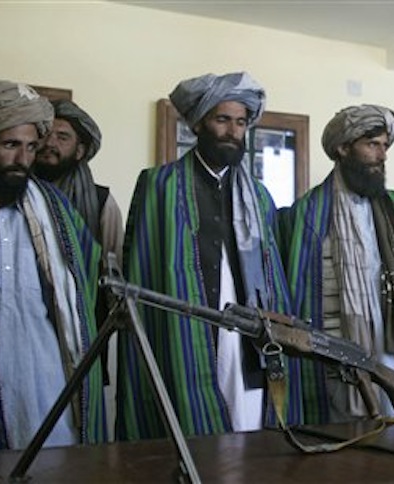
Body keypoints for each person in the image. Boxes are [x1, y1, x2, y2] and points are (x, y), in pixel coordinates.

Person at [117, 72, 298, 439]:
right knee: (190, 429)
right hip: (185, 332)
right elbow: (141, 268)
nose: (233, 131)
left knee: (251, 428)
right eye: (222, 120)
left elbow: (271, 271)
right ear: (198, 123)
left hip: (250, 335)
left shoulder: (259, 197)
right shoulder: (159, 186)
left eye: (240, 122)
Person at [0, 80, 106, 453]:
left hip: (52, 375)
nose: (23, 159)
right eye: (10, 146)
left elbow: (86, 281)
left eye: (31, 146)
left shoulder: (58, 213)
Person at [279, 104, 394, 424]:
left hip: (392, 347)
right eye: (372, 145)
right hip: (335, 359)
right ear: (343, 148)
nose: (382, 155)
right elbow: (295, 291)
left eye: (385, 146)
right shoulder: (308, 213)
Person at [35, 100, 124, 378]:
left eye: (62, 137)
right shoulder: (17, 195)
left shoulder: (101, 202)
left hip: (85, 325)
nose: (50, 143)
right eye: (46, 134)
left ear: (80, 150)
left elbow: (115, 271)